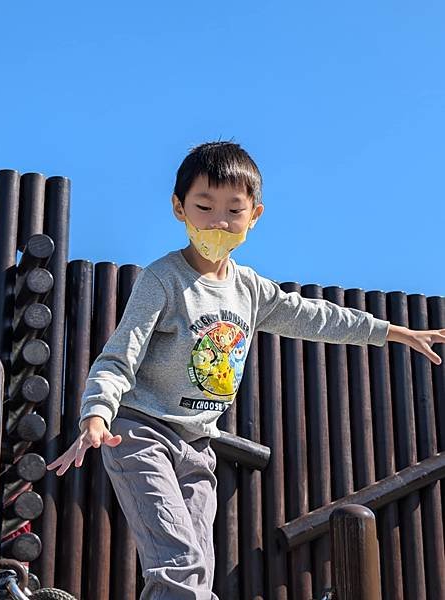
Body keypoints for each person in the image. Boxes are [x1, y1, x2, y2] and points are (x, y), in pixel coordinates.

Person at [47, 141, 445, 600]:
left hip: (198, 448)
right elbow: (120, 355)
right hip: (140, 434)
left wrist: (390, 331)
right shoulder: (164, 280)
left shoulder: (250, 290)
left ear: (254, 215)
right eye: (204, 206)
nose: (218, 221)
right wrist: (97, 413)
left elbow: (315, 317)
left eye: (233, 211)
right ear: (179, 208)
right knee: (181, 565)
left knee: (198, 571)